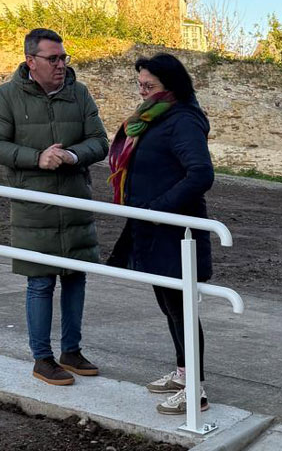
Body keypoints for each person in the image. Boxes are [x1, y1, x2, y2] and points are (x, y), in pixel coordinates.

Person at [0, 28, 109, 386]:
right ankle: (42, 358)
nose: (60, 65)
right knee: (40, 282)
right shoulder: (6, 97)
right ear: (30, 61)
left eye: (64, 58)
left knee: (75, 278)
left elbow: (100, 142)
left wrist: (70, 154)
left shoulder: (78, 94)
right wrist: (38, 158)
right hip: (33, 207)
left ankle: (71, 351)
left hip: (74, 203)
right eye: (53, 59)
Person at [107, 53, 215, 415]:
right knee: (169, 306)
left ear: (171, 84)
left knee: (182, 308)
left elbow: (200, 174)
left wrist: (158, 209)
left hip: (175, 231)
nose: (142, 91)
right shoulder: (153, 117)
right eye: (139, 84)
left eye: (149, 85)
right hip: (150, 229)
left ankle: (196, 390)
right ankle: (184, 373)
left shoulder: (182, 119)